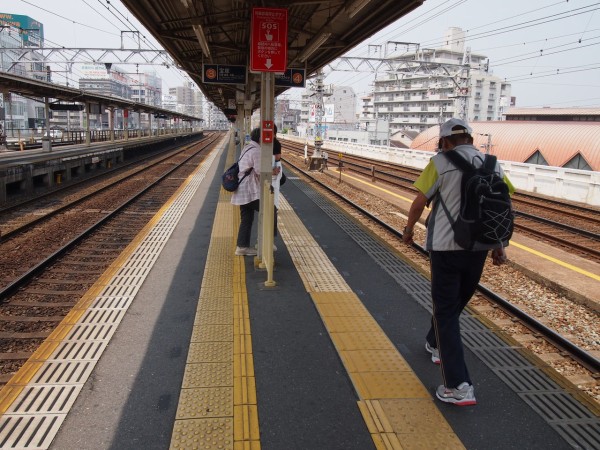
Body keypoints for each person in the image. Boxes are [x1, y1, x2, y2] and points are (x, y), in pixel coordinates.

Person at [402, 117, 514, 406]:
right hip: (478, 247)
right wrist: (499, 245)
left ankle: (458, 386)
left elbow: (419, 200)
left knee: (446, 311)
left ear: (445, 141)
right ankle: (436, 342)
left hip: (445, 247)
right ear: (470, 139)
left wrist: (409, 228)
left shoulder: (440, 163)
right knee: (454, 305)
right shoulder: (492, 164)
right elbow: (502, 206)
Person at [231, 128, 261, 256]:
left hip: (242, 189)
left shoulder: (247, 148)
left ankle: (242, 247)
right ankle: (266, 243)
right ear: (260, 138)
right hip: (249, 190)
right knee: (271, 210)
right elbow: (260, 171)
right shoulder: (256, 151)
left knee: (247, 218)